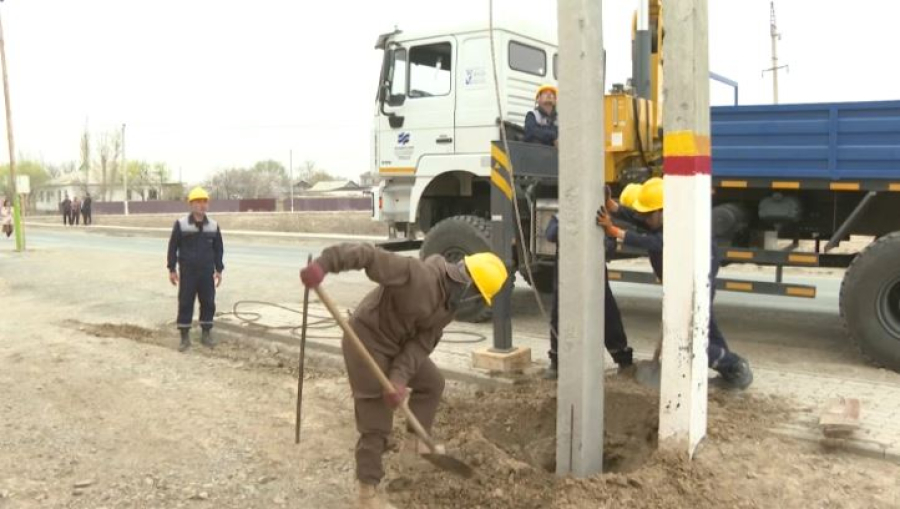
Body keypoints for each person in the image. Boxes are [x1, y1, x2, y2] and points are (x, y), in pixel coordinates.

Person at [300, 245, 507, 509]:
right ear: (470, 286)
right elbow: (368, 255)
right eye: (478, 296)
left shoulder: (447, 307)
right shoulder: (417, 275)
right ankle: (367, 494)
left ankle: (415, 447)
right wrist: (325, 264)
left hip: (396, 347)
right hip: (366, 343)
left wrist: (398, 378)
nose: (474, 301)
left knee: (432, 383)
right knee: (376, 423)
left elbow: (420, 345)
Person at [596, 178, 754, 389]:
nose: (643, 218)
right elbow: (638, 218)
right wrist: (613, 207)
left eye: (647, 214)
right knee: (706, 329)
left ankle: (734, 365)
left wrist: (614, 231)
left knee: (688, 339)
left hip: (694, 287)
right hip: (685, 285)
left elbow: (655, 242)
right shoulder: (664, 217)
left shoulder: (680, 224)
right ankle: (731, 372)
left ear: (661, 211)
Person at [166, 187, 224, 352]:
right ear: (191, 204)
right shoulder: (181, 224)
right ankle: (184, 337)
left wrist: (219, 269)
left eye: (204, 201)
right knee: (185, 302)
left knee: (208, 302)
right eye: (198, 202)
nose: (202, 205)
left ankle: (206, 333)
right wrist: (172, 269)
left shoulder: (213, 226)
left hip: (207, 272)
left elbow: (218, 249)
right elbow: (173, 247)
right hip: (188, 272)